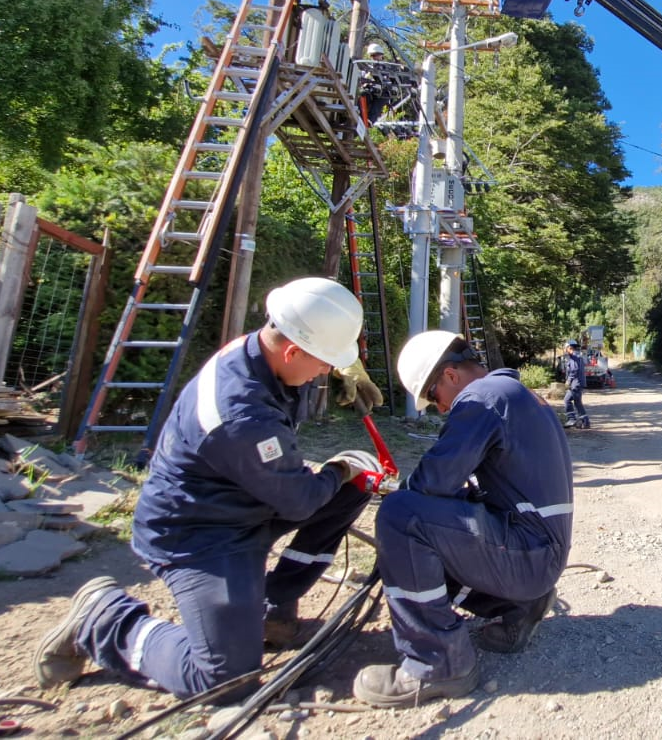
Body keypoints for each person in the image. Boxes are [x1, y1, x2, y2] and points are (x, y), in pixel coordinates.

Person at [33, 277, 387, 700]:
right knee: (224, 677)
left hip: (241, 503)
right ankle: (107, 619)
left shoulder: (260, 353)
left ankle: (274, 606)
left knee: (352, 487)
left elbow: (290, 466)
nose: (325, 373)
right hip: (199, 534)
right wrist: (339, 468)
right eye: (324, 363)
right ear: (293, 350)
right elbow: (298, 501)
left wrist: (343, 366)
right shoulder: (240, 414)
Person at [353, 330, 573, 709]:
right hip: (536, 553)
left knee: (400, 516)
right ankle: (518, 609)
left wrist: (401, 492)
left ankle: (437, 663)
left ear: (451, 375)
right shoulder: (514, 396)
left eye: (434, 397)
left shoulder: (482, 399)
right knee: (434, 522)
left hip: (528, 555)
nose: (439, 409)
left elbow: (433, 482)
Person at [560, 338, 590, 429]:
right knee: (577, 402)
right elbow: (586, 363)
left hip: (575, 383)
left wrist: (568, 380)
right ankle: (585, 421)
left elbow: (574, 370)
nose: (565, 351)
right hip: (579, 382)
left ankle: (571, 419)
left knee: (567, 400)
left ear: (569, 347)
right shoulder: (579, 356)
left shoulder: (573, 357)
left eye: (566, 348)